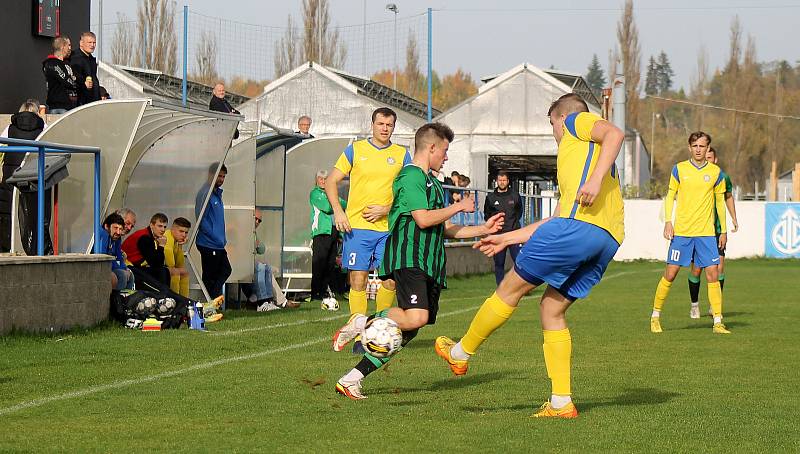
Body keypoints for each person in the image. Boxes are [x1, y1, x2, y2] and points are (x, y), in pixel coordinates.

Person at [434, 93, 625, 418]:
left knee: (509, 288)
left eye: (551, 123)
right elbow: (554, 220)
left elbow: (615, 133)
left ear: (560, 118)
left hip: (578, 229)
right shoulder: (579, 163)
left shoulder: (576, 123)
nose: (553, 131)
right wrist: (505, 237)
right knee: (551, 308)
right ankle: (562, 402)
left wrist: (593, 180)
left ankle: (460, 352)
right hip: (606, 239)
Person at [331, 122, 505, 400]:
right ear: (432, 147)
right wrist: (459, 206)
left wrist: (485, 229)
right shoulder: (410, 176)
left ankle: (351, 379)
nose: (446, 157)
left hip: (431, 263)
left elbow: (445, 228)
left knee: (407, 330)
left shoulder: (434, 184)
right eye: (444, 151)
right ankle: (363, 320)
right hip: (410, 257)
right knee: (416, 316)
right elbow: (423, 219)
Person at [324, 107, 412, 344]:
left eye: (389, 125)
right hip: (358, 228)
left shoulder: (402, 155)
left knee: (390, 280)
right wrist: (338, 211)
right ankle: (358, 330)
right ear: (372, 125)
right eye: (381, 124)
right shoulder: (356, 150)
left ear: (394, 127)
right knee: (358, 279)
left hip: (389, 228)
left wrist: (388, 209)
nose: (385, 128)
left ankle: (379, 328)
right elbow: (331, 180)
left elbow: (409, 191)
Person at [650, 132, 730, 334]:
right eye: (695, 145)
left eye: (702, 146)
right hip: (683, 233)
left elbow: (720, 202)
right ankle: (655, 316)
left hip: (706, 233)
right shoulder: (679, 169)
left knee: (713, 274)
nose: (698, 149)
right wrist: (668, 222)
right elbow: (670, 196)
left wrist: (724, 230)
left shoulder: (716, 172)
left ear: (708, 148)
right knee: (670, 274)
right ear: (689, 147)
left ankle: (718, 322)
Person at [687, 146, 740, 318]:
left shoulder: (722, 177)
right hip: (698, 228)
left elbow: (728, 196)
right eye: (705, 157)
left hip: (717, 230)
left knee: (719, 267)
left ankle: (714, 305)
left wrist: (733, 217)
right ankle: (694, 304)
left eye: (710, 157)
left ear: (715, 160)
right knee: (696, 270)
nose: (707, 160)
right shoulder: (695, 176)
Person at [1, 100, 48, 254]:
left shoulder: (10, 128)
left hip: (10, 178)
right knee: (33, 217)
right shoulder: (43, 128)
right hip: (33, 179)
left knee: (9, 213)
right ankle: (33, 249)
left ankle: (8, 247)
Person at [250, 209, 301, 311]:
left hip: (251, 262)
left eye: (259, 221)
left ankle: (269, 301)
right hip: (242, 264)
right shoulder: (242, 228)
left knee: (267, 268)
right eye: (255, 218)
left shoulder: (253, 233)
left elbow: (261, 249)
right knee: (261, 267)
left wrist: (257, 243)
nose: (257, 222)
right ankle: (263, 302)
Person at [195, 163, 232, 301]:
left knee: (224, 270)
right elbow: (201, 220)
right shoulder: (205, 193)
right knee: (211, 276)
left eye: (223, 176)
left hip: (217, 243)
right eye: (219, 176)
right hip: (208, 243)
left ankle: (212, 299)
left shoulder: (216, 194)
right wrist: (215, 237)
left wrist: (222, 239)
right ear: (211, 175)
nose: (221, 179)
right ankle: (210, 300)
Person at [310, 170, 345, 301]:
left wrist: (337, 203)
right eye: (321, 178)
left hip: (333, 231)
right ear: (317, 180)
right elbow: (327, 207)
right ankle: (315, 293)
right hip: (321, 232)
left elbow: (345, 204)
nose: (323, 181)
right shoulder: (315, 193)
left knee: (330, 263)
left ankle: (324, 291)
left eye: (326, 179)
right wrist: (336, 204)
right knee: (319, 263)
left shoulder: (331, 193)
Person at [484, 171, 523, 285]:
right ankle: (500, 287)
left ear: (508, 181)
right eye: (500, 180)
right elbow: (487, 214)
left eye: (504, 180)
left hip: (514, 234)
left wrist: (513, 225)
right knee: (499, 263)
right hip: (498, 235)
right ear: (497, 181)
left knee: (518, 261)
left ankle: (519, 285)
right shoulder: (491, 197)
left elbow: (519, 211)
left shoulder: (515, 196)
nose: (502, 182)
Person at [121, 212, 170, 287]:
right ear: (151, 225)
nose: (163, 230)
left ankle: (166, 296)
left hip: (134, 265)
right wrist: (161, 246)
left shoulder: (149, 235)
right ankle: (163, 296)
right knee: (162, 271)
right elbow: (156, 263)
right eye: (159, 226)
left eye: (164, 227)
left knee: (165, 271)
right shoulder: (144, 237)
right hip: (129, 267)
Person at [96, 212, 134, 291]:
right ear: (107, 226)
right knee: (122, 275)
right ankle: (117, 301)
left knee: (130, 274)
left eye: (120, 229)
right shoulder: (103, 234)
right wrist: (121, 269)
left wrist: (125, 269)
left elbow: (119, 256)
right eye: (115, 228)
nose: (118, 232)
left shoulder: (116, 237)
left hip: (109, 266)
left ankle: (128, 300)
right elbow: (104, 258)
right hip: (99, 267)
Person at [42, 37, 77, 114]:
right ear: (62, 47)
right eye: (68, 45)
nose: (70, 48)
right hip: (60, 106)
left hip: (69, 104)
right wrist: (76, 83)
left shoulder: (65, 62)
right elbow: (67, 81)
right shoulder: (53, 63)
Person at [70, 32, 100, 106]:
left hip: (93, 102)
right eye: (89, 42)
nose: (92, 45)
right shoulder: (75, 58)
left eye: (94, 43)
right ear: (81, 43)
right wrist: (83, 85)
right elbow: (73, 80)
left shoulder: (91, 59)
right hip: (81, 103)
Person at [164, 217, 191, 297]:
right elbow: (170, 263)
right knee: (175, 272)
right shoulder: (168, 236)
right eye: (181, 231)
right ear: (173, 229)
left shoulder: (176, 241)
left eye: (186, 232)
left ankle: (184, 302)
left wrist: (180, 246)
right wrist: (173, 267)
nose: (183, 235)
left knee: (184, 272)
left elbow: (179, 264)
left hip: (163, 266)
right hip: (148, 265)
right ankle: (174, 301)